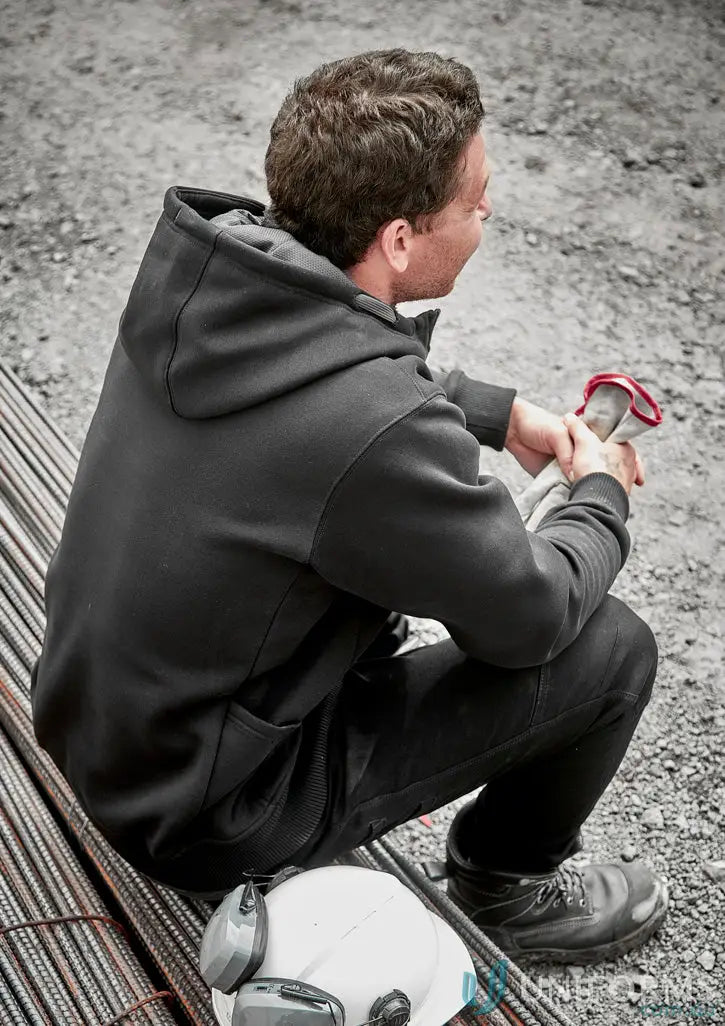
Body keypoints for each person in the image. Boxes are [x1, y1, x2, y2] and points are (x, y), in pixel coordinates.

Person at [30, 48, 667, 964]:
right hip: (208, 815)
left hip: (104, 729)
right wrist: (598, 488)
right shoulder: (376, 431)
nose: (487, 209)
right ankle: (507, 882)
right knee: (610, 649)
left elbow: (326, 374)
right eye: (473, 197)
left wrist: (493, 413)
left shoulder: (205, 281)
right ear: (400, 238)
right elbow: (527, 619)